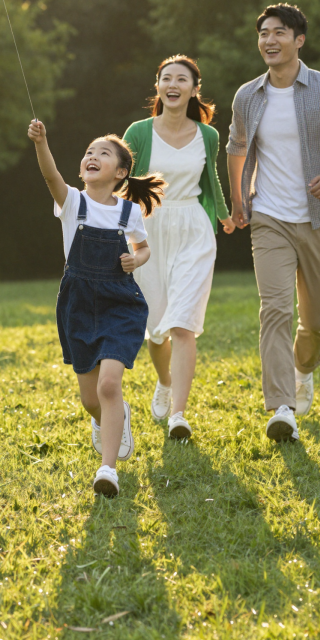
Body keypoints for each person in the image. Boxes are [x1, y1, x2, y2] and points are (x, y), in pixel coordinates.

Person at [226, 3, 320, 442]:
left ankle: (303, 369)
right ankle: (282, 407)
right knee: (273, 310)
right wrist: (239, 199)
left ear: (299, 40)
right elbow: (237, 147)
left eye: (279, 33)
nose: (269, 40)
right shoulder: (247, 96)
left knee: (315, 323)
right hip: (269, 216)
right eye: (263, 33)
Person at [28, 119, 164, 497]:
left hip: (120, 303)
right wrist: (42, 142)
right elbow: (50, 175)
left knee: (108, 385)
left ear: (120, 172)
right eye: (89, 152)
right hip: (79, 305)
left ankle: (108, 469)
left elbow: (143, 247)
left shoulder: (129, 212)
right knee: (91, 398)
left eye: (102, 153)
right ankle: (115, 421)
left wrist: (138, 260)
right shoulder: (72, 202)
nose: (92, 156)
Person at [123, 56, 235, 441]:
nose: (173, 84)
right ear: (158, 87)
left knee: (183, 324)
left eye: (181, 79)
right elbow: (122, 182)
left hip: (193, 229)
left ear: (193, 89)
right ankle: (164, 381)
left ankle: (179, 415)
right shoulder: (138, 132)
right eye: (166, 78)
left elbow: (212, 178)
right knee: (156, 330)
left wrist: (225, 214)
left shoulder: (208, 135)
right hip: (149, 229)